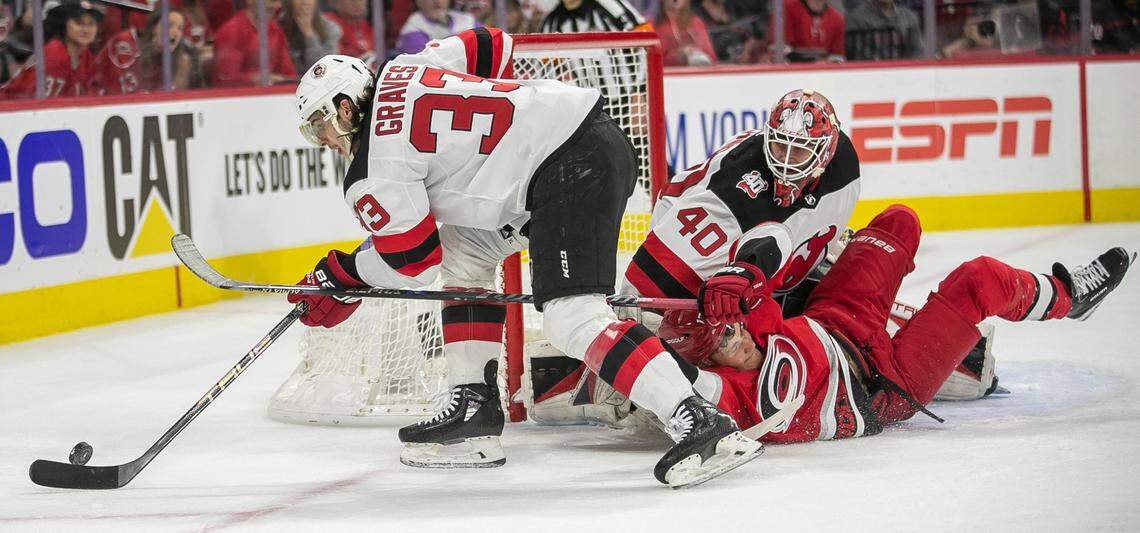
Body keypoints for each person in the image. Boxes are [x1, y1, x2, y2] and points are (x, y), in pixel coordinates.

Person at [286, 27, 762, 487]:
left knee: (571, 317)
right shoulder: (406, 67)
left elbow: (409, 260)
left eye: (320, 125)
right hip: (584, 137)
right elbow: (492, 43)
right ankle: (474, 403)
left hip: (568, 171)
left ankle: (697, 419)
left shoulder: (373, 168)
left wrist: (342, 275)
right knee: (463, 252)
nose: (323, 140)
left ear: (346, 107)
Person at [658, 204, 1135, 442]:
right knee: (978, 279)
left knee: (899, 221)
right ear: (711, 365)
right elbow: (673, 379)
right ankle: (1069, 297)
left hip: (838, 317)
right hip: (886, 382)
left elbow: (772, 241)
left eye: (728, 325)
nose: (734, 333)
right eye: (721, 340)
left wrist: (741, 273)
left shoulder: (750, 324)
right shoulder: (730, 395)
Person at [526, 89, 861, 423]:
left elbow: (799, 227)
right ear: (766, 137)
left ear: (824, 153)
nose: (785, 161)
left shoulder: (844, 165)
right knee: (723, 340)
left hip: (772, 272)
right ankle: (622, 376)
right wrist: (652, 313)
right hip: (697, 260)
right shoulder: (735, 179)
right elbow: (669, 232)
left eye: (798, 152)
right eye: (778, 146)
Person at [1, 0, 100, 99]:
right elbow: (31, 102)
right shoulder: (54, 55)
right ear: (64, 25)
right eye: (79, 23)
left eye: (91, 24)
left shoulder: (85, 55)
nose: (86, 30)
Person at [95, 10, 203, 94]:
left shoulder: (173, 60)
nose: (175, 32)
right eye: (169, 25)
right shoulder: (125, 44)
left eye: (180, 28)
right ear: (153, 28)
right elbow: (115, 93)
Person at [212, 0, 297, 87]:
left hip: (270, 95)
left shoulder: (275, 30)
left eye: (279, 1)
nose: (278, 6)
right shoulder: (231, 31)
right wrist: (256, 79)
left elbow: (289, 75)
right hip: (238, 97)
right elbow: (226, 80)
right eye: (272, 0)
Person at [844, 0, 923, 60]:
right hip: (870, 74)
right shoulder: (856, 18)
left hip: (904, 74)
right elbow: (857, 56)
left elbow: (917, 51)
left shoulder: (909, 17)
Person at [396, 0, 480, 54]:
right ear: (418, 2)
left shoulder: (467, 19)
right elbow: (433, 62)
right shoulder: (412, 30)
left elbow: (489, 41)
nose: (437, 1)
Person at [280, 0, 341, 75]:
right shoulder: (278, 26)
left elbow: (322, 70)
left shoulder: (329, 28)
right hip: (284, 84)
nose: (304, 2)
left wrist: (309, 33)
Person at [655, 0, 717, 66]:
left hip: (697, 73)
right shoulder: (654, 26)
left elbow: (711, 57)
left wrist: (697, 52)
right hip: (670, 74)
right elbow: (654, 61)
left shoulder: (696, 22)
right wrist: (678, 57)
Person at [538, 0, 651, 33]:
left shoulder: (610, 5)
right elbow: (547, 66)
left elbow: (648, 38)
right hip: (584, 89)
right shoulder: (552, 22)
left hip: (629, 88)